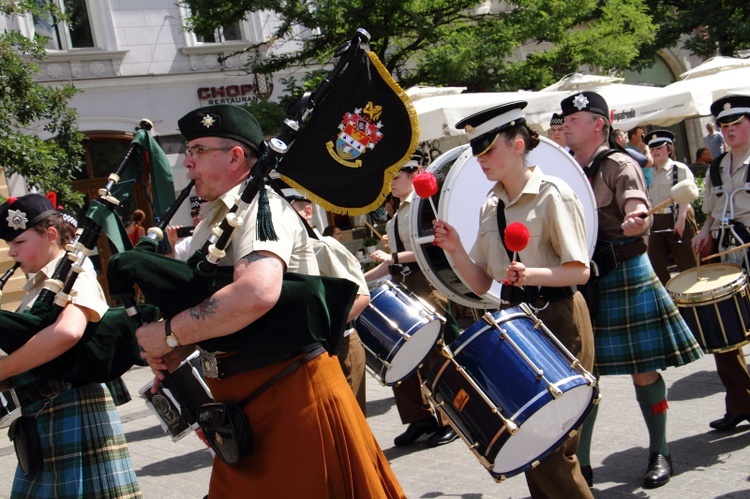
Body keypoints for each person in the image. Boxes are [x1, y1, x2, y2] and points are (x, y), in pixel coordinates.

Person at [134, 104, 403, 497]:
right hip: (246, 398)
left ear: (235, 156)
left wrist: (171, 334)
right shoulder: (215, 216)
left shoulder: (262, 209)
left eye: (196, 150)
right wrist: (183, 344)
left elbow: (256, 292)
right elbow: (227, 306)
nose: (187, 163)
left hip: (289, 395)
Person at [432, 101, 595, 498]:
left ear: (518, 144)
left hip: (558, 317)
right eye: (476, 151)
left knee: (553, 451)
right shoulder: (491, 205)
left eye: (488, 149)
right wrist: (455, 249)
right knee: (530, 447)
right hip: (516, 322)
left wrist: (531, 274)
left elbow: (580, 270)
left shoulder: (553, 194)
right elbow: (482, 280)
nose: (480, 159)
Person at [562, 91, 703, 489]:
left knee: (643, 371)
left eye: (575, 118)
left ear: (598, 124)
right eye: (565, 119)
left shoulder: (619, 164)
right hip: (589, 278)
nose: (566, 124)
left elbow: (636, 205)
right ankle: (581, 466)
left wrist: (637, 219)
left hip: (626, 271)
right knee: (585, 374)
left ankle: (660, 450)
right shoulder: (568, 167)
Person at [0, 194, 141, 497]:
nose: (12, 252)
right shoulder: (39, 287)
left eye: (20, 242)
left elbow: (68, 333)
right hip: (45, 412)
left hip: (74, 407)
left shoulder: (77, 274)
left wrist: (3, 369)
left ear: (51, 235)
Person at [364, 153, 460, 448]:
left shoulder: (424, 207)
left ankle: (450, 421)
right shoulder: (396, 215)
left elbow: (429, 246)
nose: (390, 184)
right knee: (399, 357)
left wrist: (391, 256)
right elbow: (390, 264)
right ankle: (419, 418)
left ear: (413, 173)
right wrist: (359, 278)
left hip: (427, 284)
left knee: (434, 356)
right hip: (402, 286)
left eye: (395, 177)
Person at [692, 94, 750, 432]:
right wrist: (705, 232)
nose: (729, 131)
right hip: (728, 255)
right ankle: (740, 402)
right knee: (723, 329)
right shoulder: (716, 166)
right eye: (725, 126)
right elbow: (712, 211)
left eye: (737, 124)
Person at [288, 194, 369, 413]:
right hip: (313, 350)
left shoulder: (323, 247)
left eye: (289, 212)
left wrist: (326, 332)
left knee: (351, 421)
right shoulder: (287, 252)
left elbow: (361, 296)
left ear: (308, 213)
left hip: (339, 344)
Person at [645, 130, 699, 285]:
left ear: (669, 149)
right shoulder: (650, 173)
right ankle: (668, 300)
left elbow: (687, 196)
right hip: (657, 220)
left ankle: (692, 299)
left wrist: (681, 220)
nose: (655, 152)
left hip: (678, 216)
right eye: (652, 149)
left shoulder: (679, 169)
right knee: (655, 263)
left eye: (659, 148)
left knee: (687, 262)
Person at [166, 195, 207, 260]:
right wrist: (171, 241)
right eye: (193, 214)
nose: (196, 218)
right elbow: (171, 260)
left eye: (199, 212)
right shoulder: (189, 241)